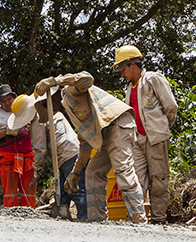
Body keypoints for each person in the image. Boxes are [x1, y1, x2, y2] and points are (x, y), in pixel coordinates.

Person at [34, 66, 146, 223]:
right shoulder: (71, 111)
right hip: (106, 136)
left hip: (118, 125)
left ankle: (139, 219)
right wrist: (75, 173)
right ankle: (97, 219)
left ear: (52, 99)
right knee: (92, 173)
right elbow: (85, 146)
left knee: (123, 171)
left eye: (47, 106)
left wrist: (57, 81)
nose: (51, 111)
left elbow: (87, 77)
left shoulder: (70, 92)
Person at [115, 45, 179, 223]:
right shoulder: (129, 89)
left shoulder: (153, 79)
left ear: (132, 65)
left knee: (159, 179)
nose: (122, 74)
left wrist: (163, 128)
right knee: (135, 180)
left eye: (123, 69)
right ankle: (136, 217)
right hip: (138, 140)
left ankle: (158, 219)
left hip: (156, 137)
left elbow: (171, 107)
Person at [9, 92, 85, 220]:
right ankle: (61, 213)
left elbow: (40, 150)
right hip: (74, 151)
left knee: (76, 189)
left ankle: (85, 218)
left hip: (67, 155)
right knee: (63, 190)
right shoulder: (47, 111)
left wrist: (36, 174)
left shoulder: (38, 120)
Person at [0, 85, 35, 208]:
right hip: (8, 157)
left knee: (29, 187)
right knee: (10, 189)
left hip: (27, 156)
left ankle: (29, 211)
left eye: (9, 99)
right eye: (3, 101)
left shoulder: (24, 110)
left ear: (14, 98)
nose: (7, 103)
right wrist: (7, 131)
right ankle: (10, 212)